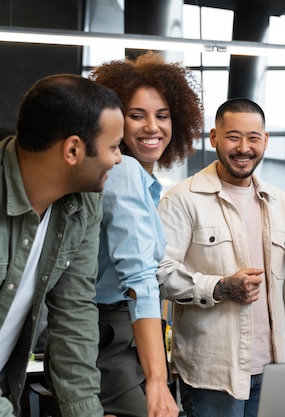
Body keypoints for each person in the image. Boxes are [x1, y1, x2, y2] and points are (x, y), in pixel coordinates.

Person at [156, 97, 285, 417]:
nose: (244, 147)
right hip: (212, 372)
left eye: (253, 137)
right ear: (214, 137)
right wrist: (220, 287)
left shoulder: (282, 204)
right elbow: (159, 273)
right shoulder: (182, 199)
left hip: (273, 369)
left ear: (265, 141)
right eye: (233, 137)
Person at [0, 74, 124, 416]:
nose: (118, 159)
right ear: (72, 150)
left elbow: (74, 314)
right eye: (114, 147)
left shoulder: (84, 203)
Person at [89, 51, 204, 417]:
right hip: (111, 327)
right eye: (136, 116)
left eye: (163, 116)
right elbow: (139, 277)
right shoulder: (124, 172)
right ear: (113, 121)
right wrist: (157, 381)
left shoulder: (140, 179)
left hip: (118, 327)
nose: (152, 127)